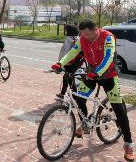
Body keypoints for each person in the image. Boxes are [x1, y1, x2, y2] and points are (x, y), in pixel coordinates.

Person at [52, 20, 134, 161]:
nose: (86, 37)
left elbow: (108, 57)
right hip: (91, 74)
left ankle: (128, 144)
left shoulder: (107, 37)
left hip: (109, 76)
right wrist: (60, 63)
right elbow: (73, 52)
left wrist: (98, 72)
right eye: (83, 35)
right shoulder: (82, 38)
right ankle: (85, 124)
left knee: (118, 108)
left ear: (96, 29)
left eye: (89, 34)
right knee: (78, 97)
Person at [56, 24, 84, 98]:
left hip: (69, 62)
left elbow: (67, 52)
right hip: (77, 61)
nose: (65, 31)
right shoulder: (77, 38)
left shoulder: (68, 39)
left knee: (70, 79)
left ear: (69, 31)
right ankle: (62, 94)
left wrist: (62, 62)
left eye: (66, 30)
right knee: (67, 77)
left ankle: (75, 97)